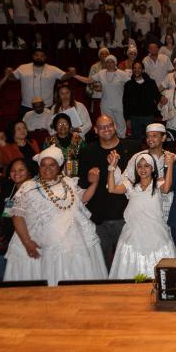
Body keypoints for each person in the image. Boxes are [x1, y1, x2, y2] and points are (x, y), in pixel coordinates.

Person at [4, 146, 107, 286]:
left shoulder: (68, 182)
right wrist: (27, 242)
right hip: (45, 240)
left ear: (59, 167)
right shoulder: (29, 187)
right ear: (39, 167)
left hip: (73, 238)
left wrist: (94, 183)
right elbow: (17, 215)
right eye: (43, 165)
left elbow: (81, 199)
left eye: (52, 165)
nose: (47, 169)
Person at [77, 115, 139, 270]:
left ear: (115, 126)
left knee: (126, 265)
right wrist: (92, 179)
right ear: (96, 130)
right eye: (102, 127)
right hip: (99, 217)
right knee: (101, 265)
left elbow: (139, 181)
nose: (107, 129)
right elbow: (82, 185)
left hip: (125, 216)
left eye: (110, 125)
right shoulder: (87, 152)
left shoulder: (132, 148)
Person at [106, 150, 176, 279]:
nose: (143, 169)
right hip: (133, 232)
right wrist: (112, 167)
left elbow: (166, 188)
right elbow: (112, 189)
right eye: (139, 166)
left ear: (152, 168)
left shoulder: (159, 183)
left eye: (146, 166)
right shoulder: (130, 185)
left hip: (156, 232)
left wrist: (170, 165)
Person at [72, 55, 130, 137]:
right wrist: (75, 75)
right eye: (108, 62)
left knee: (121, 126)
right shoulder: (101, 73)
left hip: (119, 105)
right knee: (108, 125)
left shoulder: (122, 74)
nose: (109, 64)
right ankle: (110, 143)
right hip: (105, 105)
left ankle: (122, 143)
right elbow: (88, 80)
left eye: (112, 62)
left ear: (115, 63)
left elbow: (131, 85)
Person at [7, 48, 71, 113]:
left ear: (45, 57)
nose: (39, 57)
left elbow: (64, 77)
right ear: (33, 56)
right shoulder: (23, 67)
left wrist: (71, 73)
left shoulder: (53, 69)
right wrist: (9, 73)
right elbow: (12, 78)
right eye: (36, 55)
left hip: (46, 106)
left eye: (42, 56)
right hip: (27, 106)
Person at [123, 62, 164, 138]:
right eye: (135, 68)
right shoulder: (128, 84)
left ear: (143, 70)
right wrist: (127, 118)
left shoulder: (151, 82)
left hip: (148, 116)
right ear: (132, 70)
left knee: (150, 139)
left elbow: (157, 95)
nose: (137, 70)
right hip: (134, 117)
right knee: (136, 142)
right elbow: (126, 103)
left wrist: (162, 98)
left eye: (139, 68)